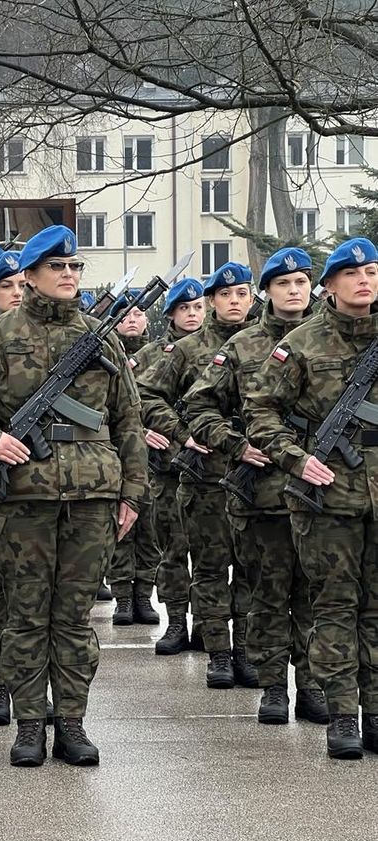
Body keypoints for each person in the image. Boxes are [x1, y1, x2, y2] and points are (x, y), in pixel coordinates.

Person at [0, 225, 147, 766]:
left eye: (74, 267)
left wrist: (133, 493)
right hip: (22, 499)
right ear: (29, 276)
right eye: (57, 268)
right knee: (26, 615)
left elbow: (128, 420)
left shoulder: (101, 337)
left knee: (72, 618)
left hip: (93, 496)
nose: (68, 275)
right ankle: (29, 724)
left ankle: (70, 721)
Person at [244, 237, 378, 759]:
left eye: (371, 271)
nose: (364, 280)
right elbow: (261, 411)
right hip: (327, 496)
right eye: (352, 273)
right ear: (331, 285)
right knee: (336, 607)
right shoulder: (300, 344)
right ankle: (343, 714)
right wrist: (295, 459)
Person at [183, 247, 328, 726]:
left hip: (325, 493)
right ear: (267, 292)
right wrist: (235, 444)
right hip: (262, 493)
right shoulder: (242, 346)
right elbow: (197, 408)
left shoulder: (335, 343)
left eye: (301, 282)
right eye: (283, 284)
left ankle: (311, 685)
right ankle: (272, 687)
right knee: (266, 593)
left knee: (315, 596)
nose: (294, 290)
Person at [138, 262, 256, 689]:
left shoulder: (267, 343)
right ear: (213, 302)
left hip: (258, 475)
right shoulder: (187, 350)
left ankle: (246, 650)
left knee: (251, 570)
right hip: (206, 477)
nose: (235, 302)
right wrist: (183, 434)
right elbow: (147, 396)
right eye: (226, 295)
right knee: (208, 567)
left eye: (242, 293)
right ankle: (218, 651)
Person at [136, 278, 205, 654]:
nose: (192, 315)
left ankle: (209, 627)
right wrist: (147, 429)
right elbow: (133, 402)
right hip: (168, 470)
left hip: (211, 471)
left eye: (197, 308)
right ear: (171, 315)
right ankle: (176, 621)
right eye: (184, 309)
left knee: (213, 557)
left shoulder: (223, 348)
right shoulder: (153, 355)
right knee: (173, 551)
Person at [105, 291, 161, 626]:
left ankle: (144, 596)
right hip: (119, 452)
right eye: (124, 314)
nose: (132, 319)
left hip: (157, 458)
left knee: (150, 532)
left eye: (138, 314)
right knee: (121, 527)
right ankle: (123, 597)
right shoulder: (106, 355)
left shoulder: (159, 355)